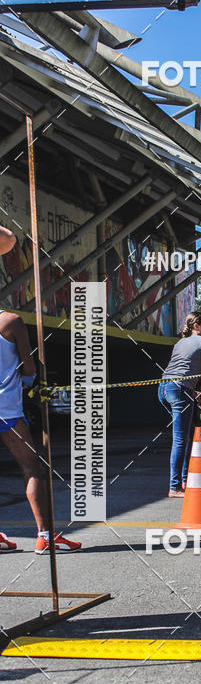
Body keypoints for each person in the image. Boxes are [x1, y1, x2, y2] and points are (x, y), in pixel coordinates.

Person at [1, 225, 81, 552]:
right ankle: (46, 536)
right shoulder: (10, 322)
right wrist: (33, 384)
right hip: (7, 410)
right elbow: (30, 368)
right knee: (31, 466)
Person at [159, 311, 201, 497]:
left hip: (164, 389)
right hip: (180, 389)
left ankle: (184, 480)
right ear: (196, 326)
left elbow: (183, 366)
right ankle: (174, 487)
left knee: (186, 434)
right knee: (181, 438)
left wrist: (192, 392)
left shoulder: (180, 343)